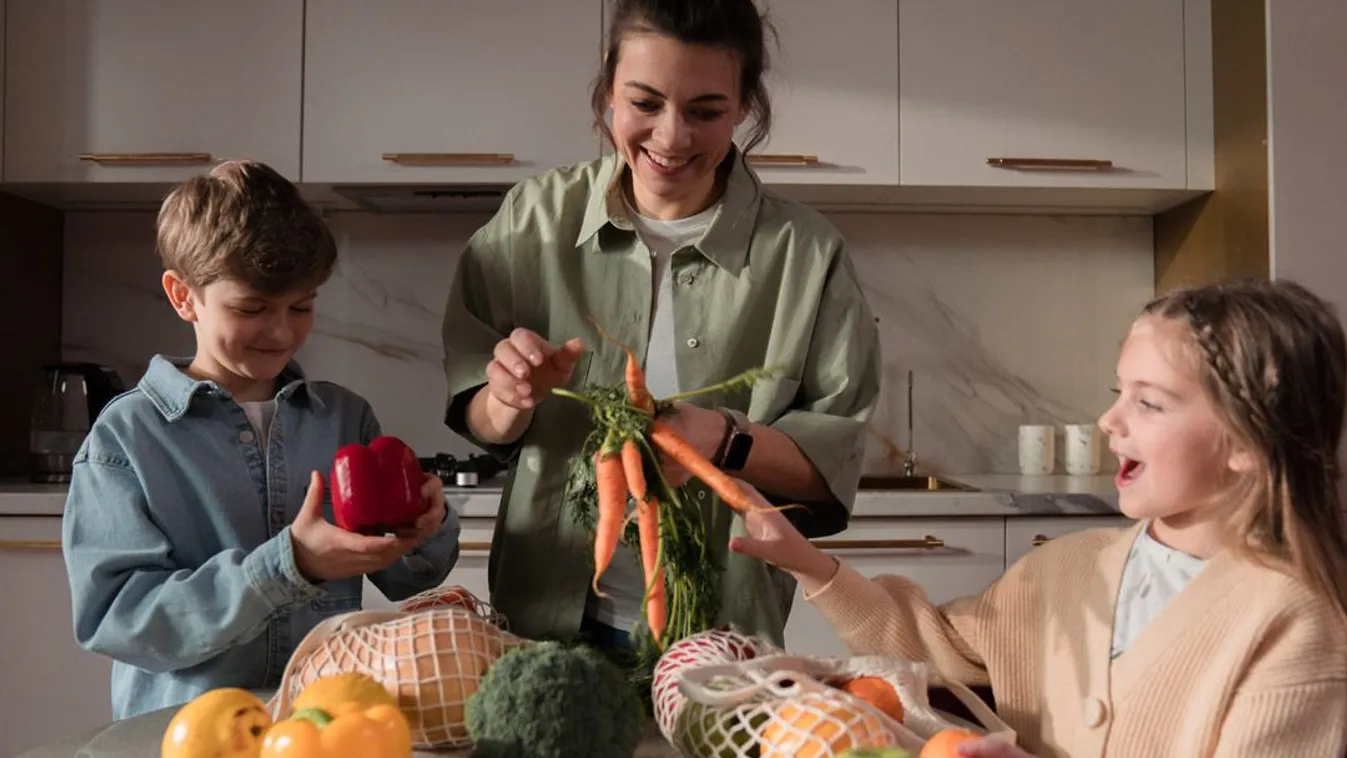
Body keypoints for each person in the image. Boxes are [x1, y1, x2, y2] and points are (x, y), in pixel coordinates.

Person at [731, 278, 1347, 757]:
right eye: (1118, 394)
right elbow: (937, 648)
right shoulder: (1067, 569)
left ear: (1246, 443)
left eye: (1150, 403)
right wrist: (807, 563)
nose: (1110, 422)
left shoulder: (1296, 621)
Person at [440, 0, 882, 648]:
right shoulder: (531, 220)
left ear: (742, 107)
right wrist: (506, 398)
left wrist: (723, 440)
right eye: (644, 104)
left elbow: (830, 464)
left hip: (723, 629)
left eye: (704, 111)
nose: (671, 138)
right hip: (542, 616)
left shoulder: (805, 254)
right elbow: (478, 417)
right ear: (606, 96)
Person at [61, 160, 462, 721]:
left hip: (323, 723)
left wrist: (424, 527)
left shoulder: (345, 418)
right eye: (251, 309)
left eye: (302, 307)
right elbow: (120, 619)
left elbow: (406, 580)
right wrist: (288, 564)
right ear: (183, 297)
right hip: (188, 733)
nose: (281, 332)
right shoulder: (127, 438)